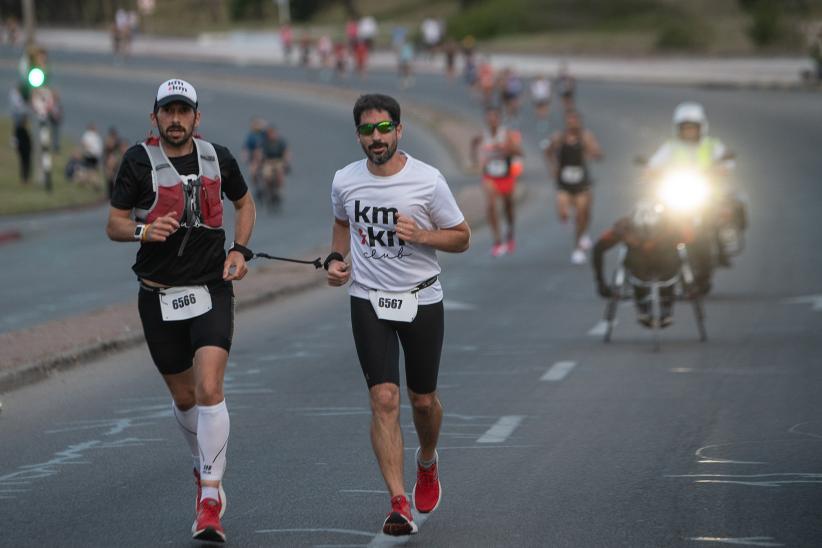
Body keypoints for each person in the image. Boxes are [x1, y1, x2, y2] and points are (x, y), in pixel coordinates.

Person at [106, 78, 256, 543]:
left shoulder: (218, 157)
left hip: (211, 288)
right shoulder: (137, 161)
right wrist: (142, 233)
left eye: (183, 111)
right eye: (167, 112)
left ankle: (210, 497)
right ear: (155, 117)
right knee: (185, 397)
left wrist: (240, 251)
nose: (175, 120)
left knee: (210, 386)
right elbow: (114, 224)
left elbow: (244, 203)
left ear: (196, 117)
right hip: (158, 295)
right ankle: (203, 465)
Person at [326, 93, 470, 536]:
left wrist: (424, 234)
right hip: (368, 298)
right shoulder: (345, 180)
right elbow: (342, 225)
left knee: (422, 400)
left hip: (421, 298)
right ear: (358, 136)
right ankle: (398, 501)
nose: (376, 137)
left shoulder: (427, 181)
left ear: (399, 131)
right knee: (384, 398)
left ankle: (427, 462)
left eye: (384, 129)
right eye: (367, 130)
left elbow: (462, 237)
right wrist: (335, 260)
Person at [645, 101, 735, 288]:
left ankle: (723, 244)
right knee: (659, 219)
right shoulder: (671, 146)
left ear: (701, 128)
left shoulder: (712, 145)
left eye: (692, 128)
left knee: (725, 212)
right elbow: (654, 164)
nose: (689, 132)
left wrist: (722, 168)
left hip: (707, 193)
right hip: (678, 191)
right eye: (685, 128)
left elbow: (727, 162)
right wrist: (650, 171)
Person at [593, 201, 693, 328]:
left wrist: (689, 281)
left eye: (653, 230)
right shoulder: (624, 227)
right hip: (638, 264)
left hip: (666, 260)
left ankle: (666, 304)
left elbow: (692, 241)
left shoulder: (672, 226)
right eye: (642, 231)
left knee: (673, 259)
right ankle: (642, 305)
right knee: (635, 264)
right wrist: (601, 283)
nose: (648, 237)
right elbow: (598, 248)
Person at [544, 109, 603, 264]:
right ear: (566, 122)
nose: (573, 124)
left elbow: (597, 153)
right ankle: (572, 225)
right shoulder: (559, 137)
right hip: (564, 182)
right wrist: (553, 167)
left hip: (581, 182)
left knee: (582, 214)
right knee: (562, 212)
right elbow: (548, 151)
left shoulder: (585, 137)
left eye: (575, 121)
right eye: (570, 121)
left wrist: (593, 152)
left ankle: (578, 246)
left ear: (580, 122)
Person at [472, 106, 523, 257]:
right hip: (490, 176)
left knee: (508, 206)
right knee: (491, 205)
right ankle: (497, 241)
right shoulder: (483, 135)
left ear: (499, 119)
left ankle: (510, 232)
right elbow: (474, 144)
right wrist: (475, 160)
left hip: (506, 176)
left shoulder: (506, 135)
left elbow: (520, 152)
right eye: (489, 117)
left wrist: (508, 150)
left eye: (495, 117)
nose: (492, 120)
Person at [255, 124, 290, 206]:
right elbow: (259, 152)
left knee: (280, 173)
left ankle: (279, 190)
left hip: (278, 161)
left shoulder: (281, 142)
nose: (272, 135)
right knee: (266, 175)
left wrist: (286, 161)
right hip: (268, 161)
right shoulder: (264, 142)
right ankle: (268, 190)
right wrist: (259, 161)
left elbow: (286, 152)